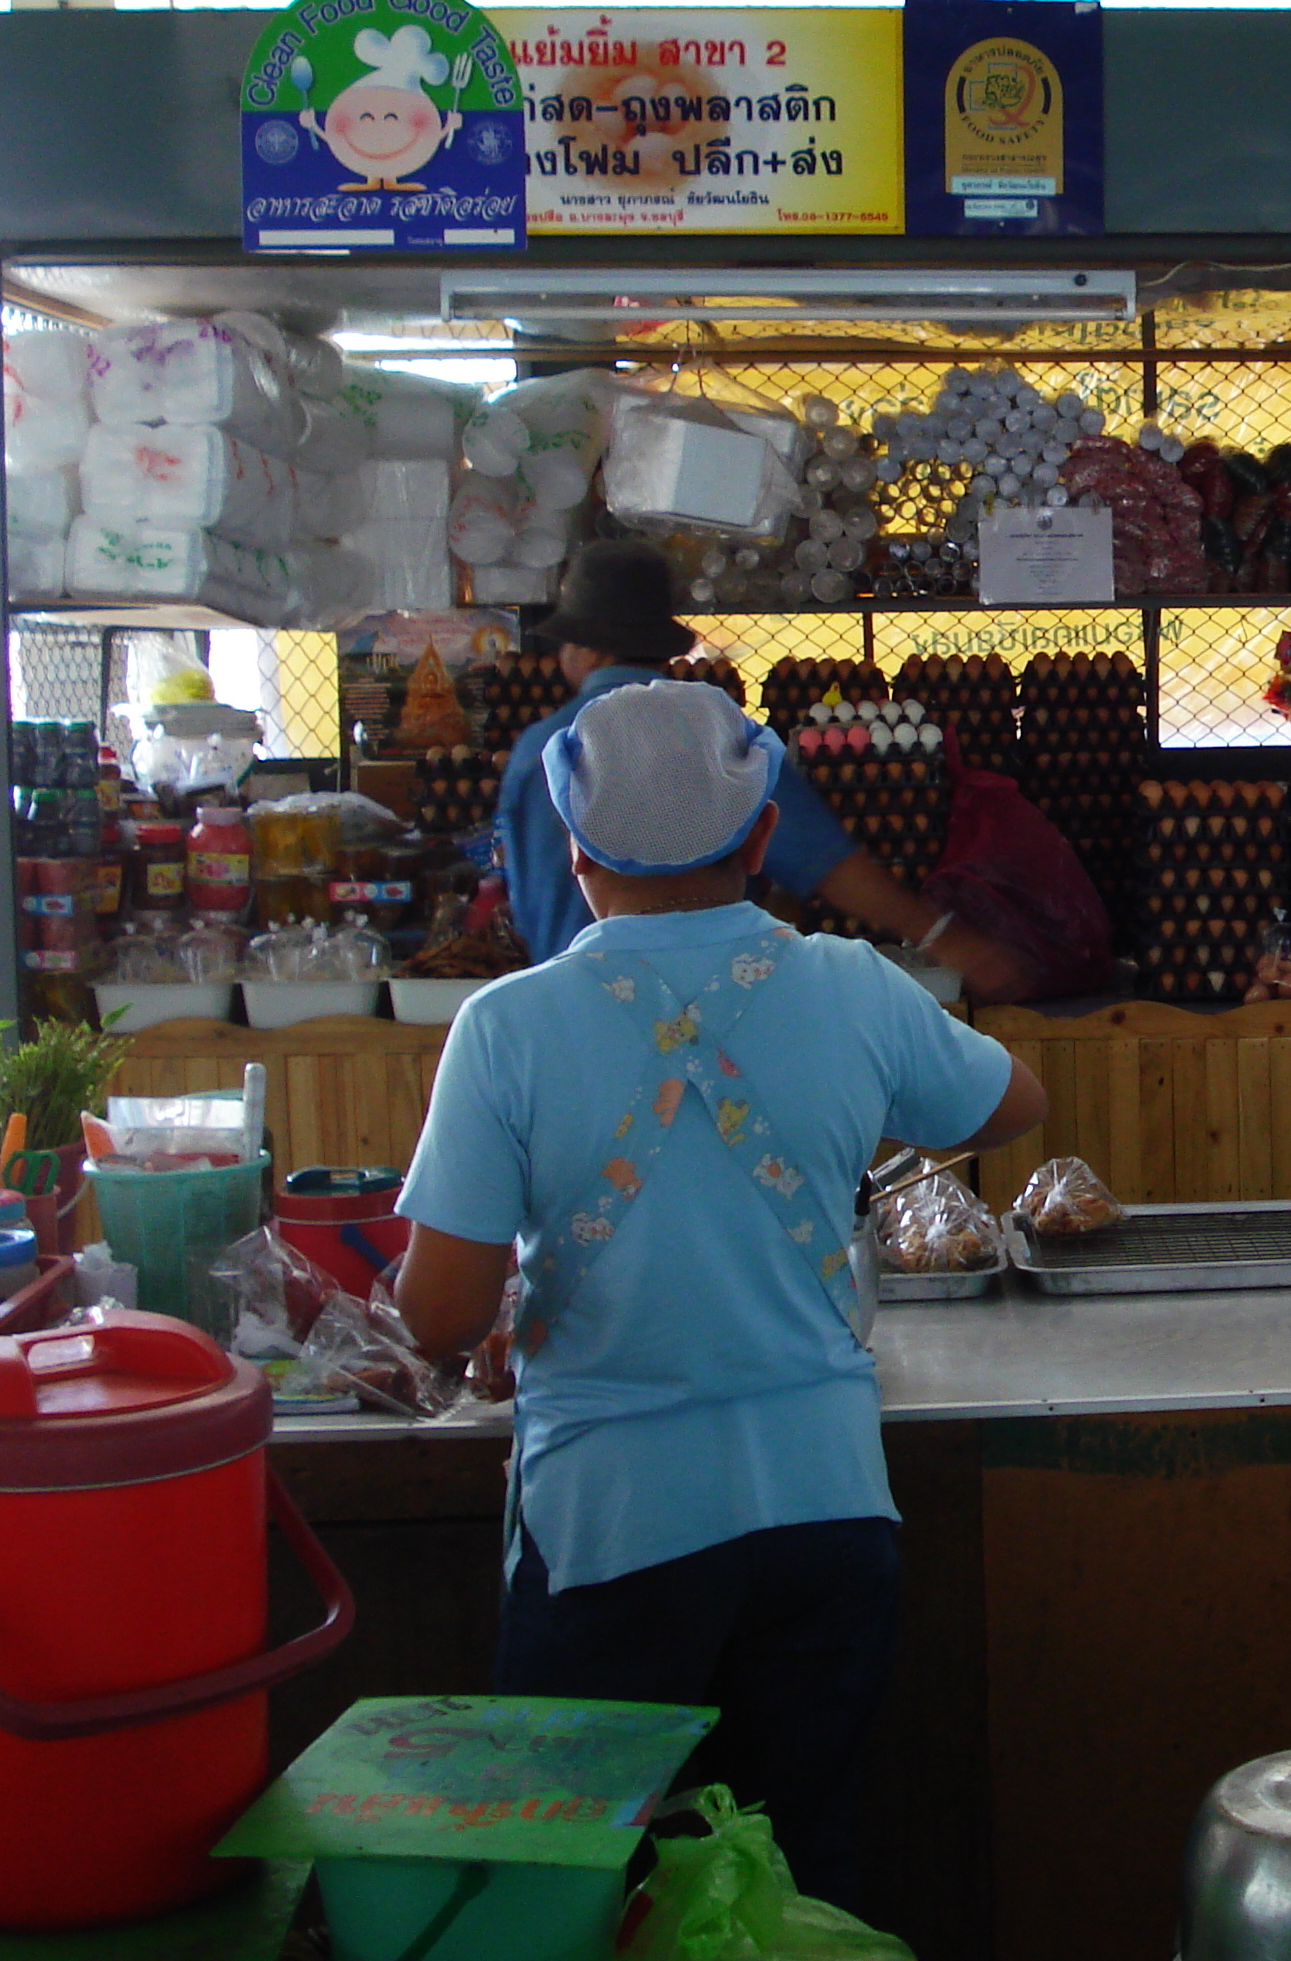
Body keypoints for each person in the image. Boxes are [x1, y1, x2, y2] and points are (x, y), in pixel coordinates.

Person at [394, 678, 1049, 1906]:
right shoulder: (854, 986)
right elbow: (1014, 1106)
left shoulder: (507, 1027)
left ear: (576, 854)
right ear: (760, 841)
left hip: (611, 1533)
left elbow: (436, 1317)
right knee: (792, 1871)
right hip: (826, 1509)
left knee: (590, 1886)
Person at [497, 539, 1025, 1000]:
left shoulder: (536, 751)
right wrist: (945, 938)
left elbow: (520, 900)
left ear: (586, 649)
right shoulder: (715, 738)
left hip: (566, 1013)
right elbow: (821, 859)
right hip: (705, 1014)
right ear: (660, 646)